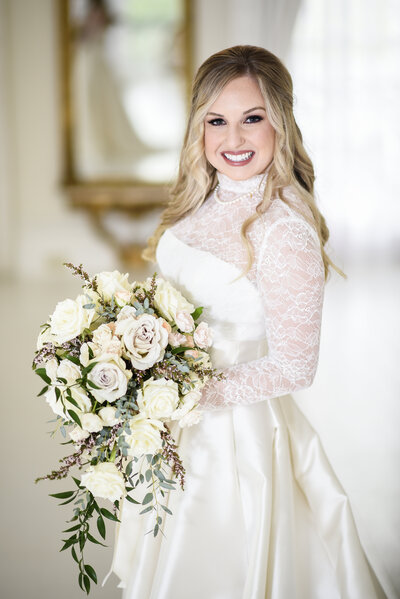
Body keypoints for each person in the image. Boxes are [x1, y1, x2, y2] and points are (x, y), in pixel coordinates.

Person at [112, 45, 386, 599]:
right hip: (175, 421)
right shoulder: (199, 202)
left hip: (233, 438)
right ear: (199, 128)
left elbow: (294, 366)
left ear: (279, 123)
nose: (233, 140)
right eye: (217, 121)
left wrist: (185, 390)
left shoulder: (283, 231)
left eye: (251, 119)